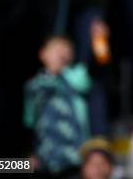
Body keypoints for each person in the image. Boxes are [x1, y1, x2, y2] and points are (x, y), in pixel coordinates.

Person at [24, 36, 92, 176]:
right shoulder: (35, 86)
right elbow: (29, 123)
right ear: (43, 54)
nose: (62, 54)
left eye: (66, 49)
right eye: (56, 49)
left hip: (77, 159)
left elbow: (84, 82)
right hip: (46, 160)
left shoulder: (79, 81)